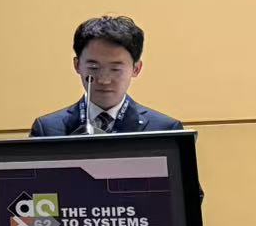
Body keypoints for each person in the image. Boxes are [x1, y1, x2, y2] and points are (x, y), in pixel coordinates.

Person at [29, 15, 182, 137]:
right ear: (77, 65)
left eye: (115, 69)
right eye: (93, 68)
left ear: (136, 69)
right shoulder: (47, 130)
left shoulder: (165, 130)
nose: (104, 80)